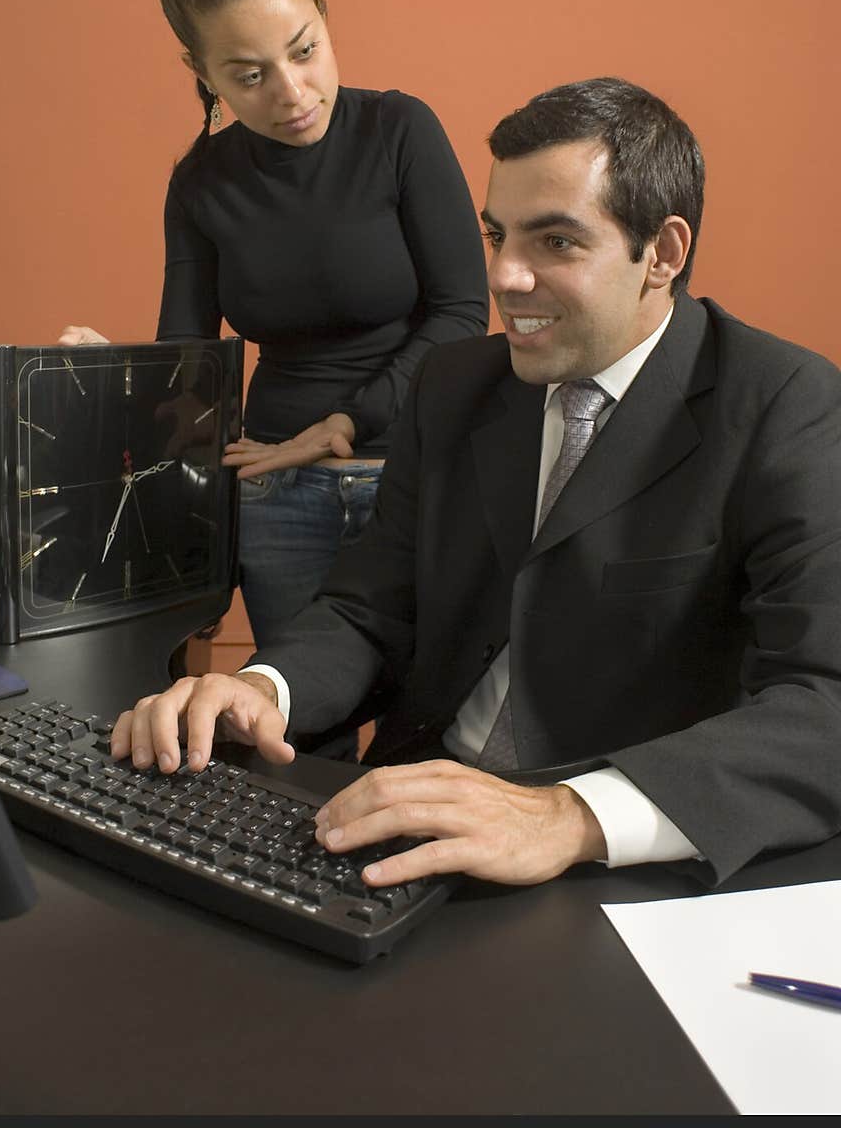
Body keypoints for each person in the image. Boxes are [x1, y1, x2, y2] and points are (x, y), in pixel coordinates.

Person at [111, 76, 841, 893]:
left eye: (555, 242)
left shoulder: (786, 404)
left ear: (663, 254)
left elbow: (824, 706)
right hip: (411, 823)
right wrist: (260, 687)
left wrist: (567, 815)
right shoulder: (454, 384)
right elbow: (370, 608)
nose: (505, 277)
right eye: (498, 236)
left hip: (609, 863)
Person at [59, 0, 489, 748]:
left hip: (410, 471)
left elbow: (461, 316)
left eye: (304, 50)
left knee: (429, 725)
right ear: (200, 69)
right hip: (275, 496)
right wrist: (116, 379)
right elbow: (189, 361)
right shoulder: (200, 185)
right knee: (292, 732)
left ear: (323, 8)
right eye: (248, 75)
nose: (292, 94)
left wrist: (339, 424)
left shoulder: (401, 131)